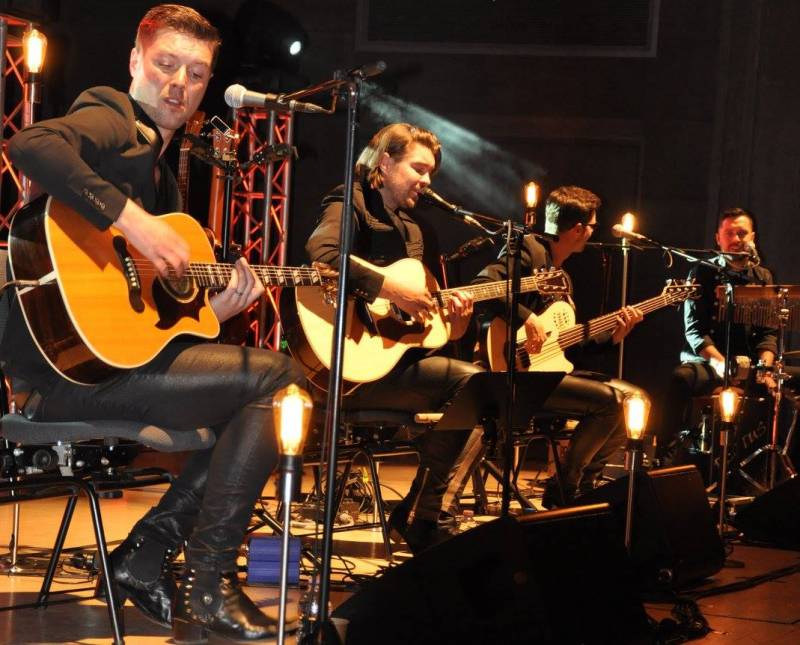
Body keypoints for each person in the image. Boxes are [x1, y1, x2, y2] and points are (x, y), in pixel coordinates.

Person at [0, 5, 304, 642]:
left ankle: (149, 554)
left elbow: (146, 324)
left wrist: (212, 315)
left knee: (267, 398)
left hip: (113, 365)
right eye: (166, 64)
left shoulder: (164, 180)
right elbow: (31, 144)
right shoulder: (114, 115)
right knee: (277, 378)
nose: (179, 84)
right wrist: (131, 221)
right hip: (63, 374)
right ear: (136, 62)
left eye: (196, 73)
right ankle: (204, 578)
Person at [305, 123, 484, 554]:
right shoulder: (349, 201)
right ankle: (425, 519)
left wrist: (457, 323)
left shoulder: (417, 232)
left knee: (483, 389)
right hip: (347, 366)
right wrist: (392, 290)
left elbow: (426, 329)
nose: (427, 180)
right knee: (474, 386)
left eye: (431, 173)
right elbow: (324, 256)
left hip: (396, 365)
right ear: (385, 163)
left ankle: (422, 514)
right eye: (419, 169)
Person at [473, 185, 648, 507]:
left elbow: (566, 347)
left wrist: (615, 335)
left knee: (635, 399)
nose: (593, 232)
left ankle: (586, 484)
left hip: (548, 372)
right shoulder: (527, 249)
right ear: (578, 229)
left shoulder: (562, 278)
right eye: (592, 226)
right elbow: (483, 287)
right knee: (609, 403)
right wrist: (527, 317)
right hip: (513, 373)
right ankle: (565, 488)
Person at [657, 208, 777, 463]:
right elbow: (695, 332)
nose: (736, 239)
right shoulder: (702, 272)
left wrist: (765, 369)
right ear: (717, 239)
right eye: (729, 233)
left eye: (742, 233)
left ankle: (772, 462)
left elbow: (768, 333)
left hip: (749, 366)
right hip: (710, 363)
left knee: (791, 381)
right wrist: (723, 365)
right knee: (681, 378)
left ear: (753, 237)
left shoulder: (763, 277)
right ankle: (664, 454)